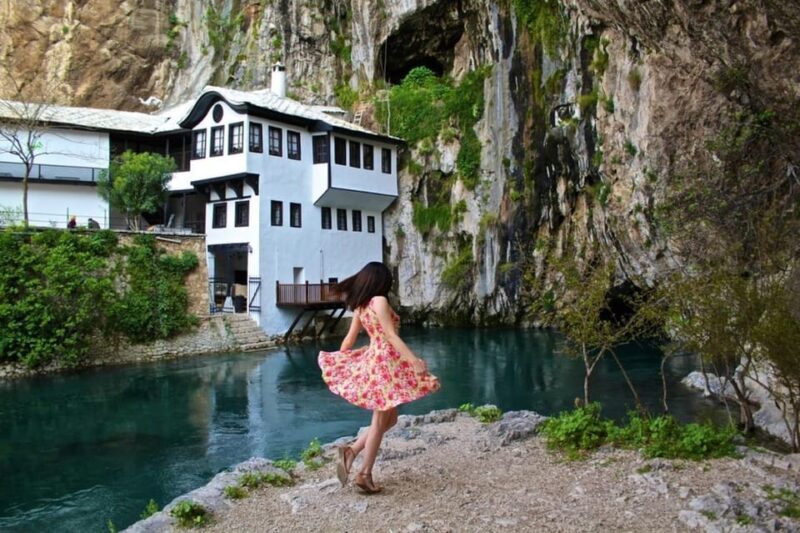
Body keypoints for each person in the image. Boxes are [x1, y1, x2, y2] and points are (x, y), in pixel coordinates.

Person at [318, 262, 440, 494]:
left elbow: (349, 340)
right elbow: (391, 336)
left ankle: (351, 452)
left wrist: (343, 360)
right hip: (385, 362)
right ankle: (364, 473)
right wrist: (413, 361)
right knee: (379, 420)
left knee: (389, 420)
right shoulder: (380, 301)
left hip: (377, 360)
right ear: (381, 282)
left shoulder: (361, 307)